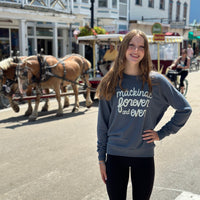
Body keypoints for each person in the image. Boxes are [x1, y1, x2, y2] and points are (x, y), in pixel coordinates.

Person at [96, 29, 192, 200]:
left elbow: (184, 109)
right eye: (131, 45)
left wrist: (161, 133)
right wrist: (101, 159)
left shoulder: (156, 81)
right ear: (123, 48)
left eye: (141, 47)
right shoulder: (110, 81)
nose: (136, 50)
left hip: (144, 156)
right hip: (115, 156)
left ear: (146, 51)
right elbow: (102, 124)